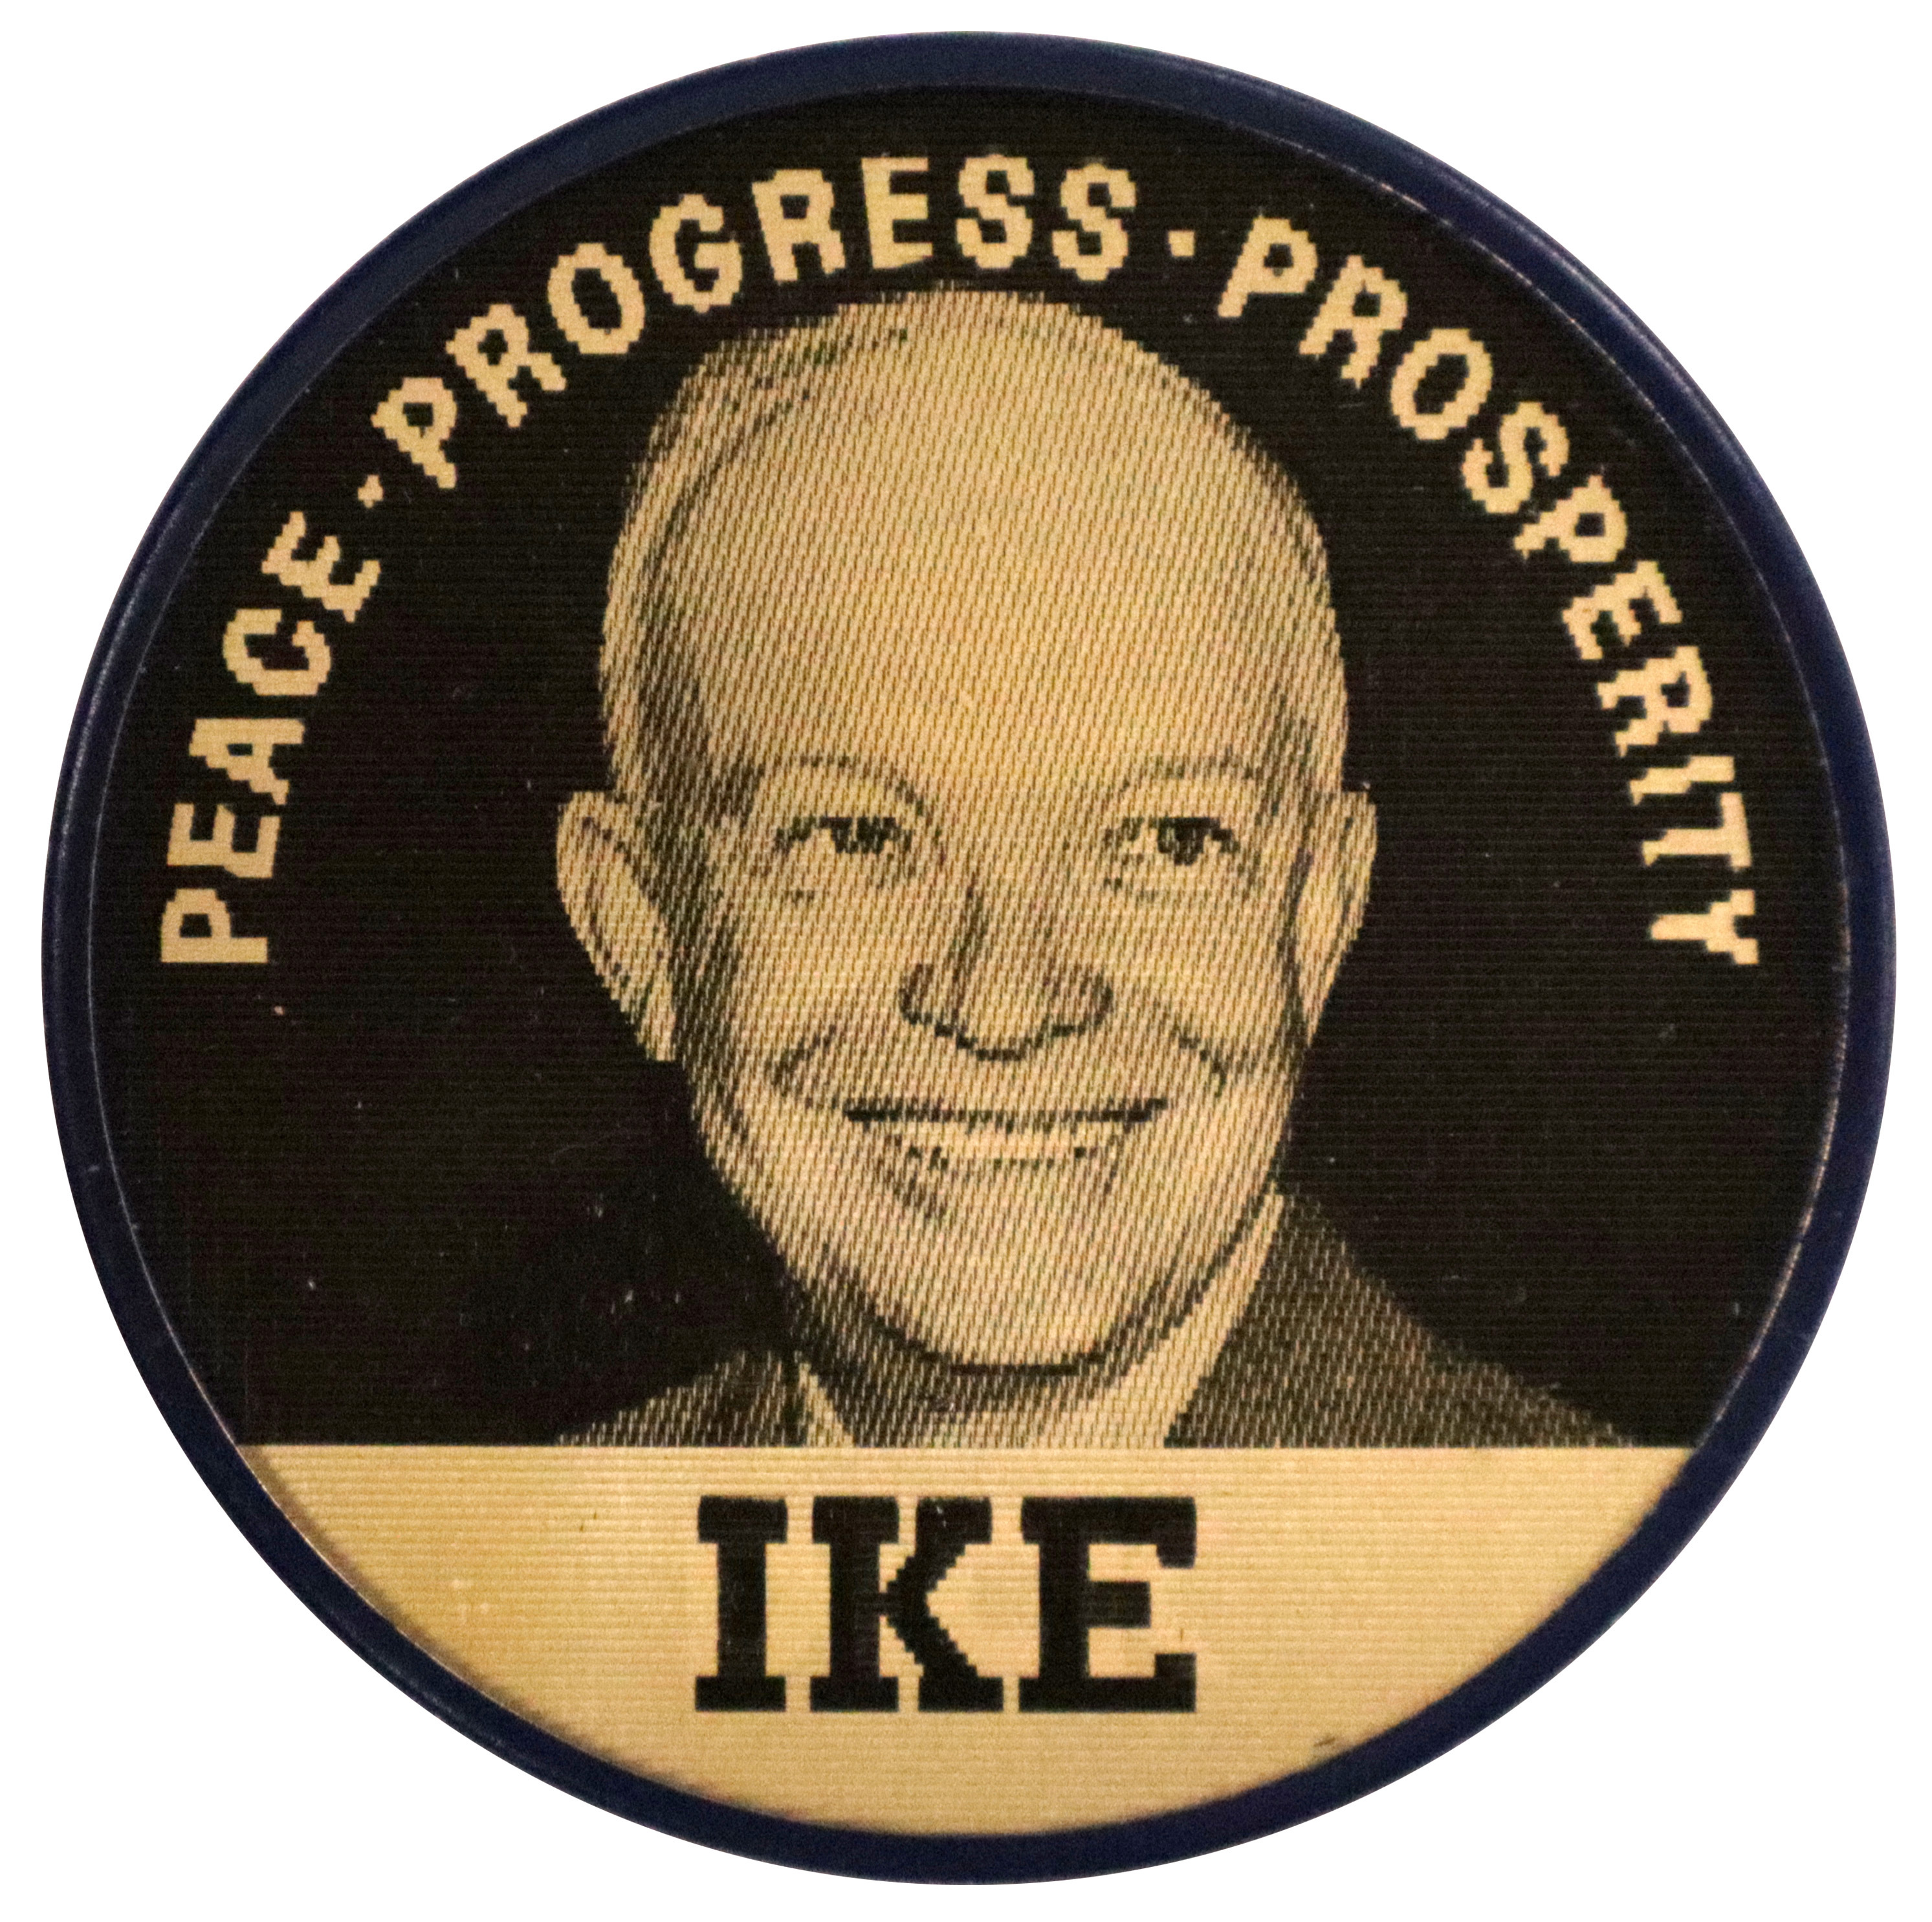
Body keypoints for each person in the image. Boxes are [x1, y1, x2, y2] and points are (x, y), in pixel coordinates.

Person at [556, 287, 1614, 1447]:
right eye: (853, 838)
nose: (1003, 1007)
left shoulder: (1548, 1505)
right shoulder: (544, 1514)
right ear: (640, 930)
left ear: (1316, 917)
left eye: (1164, 843)